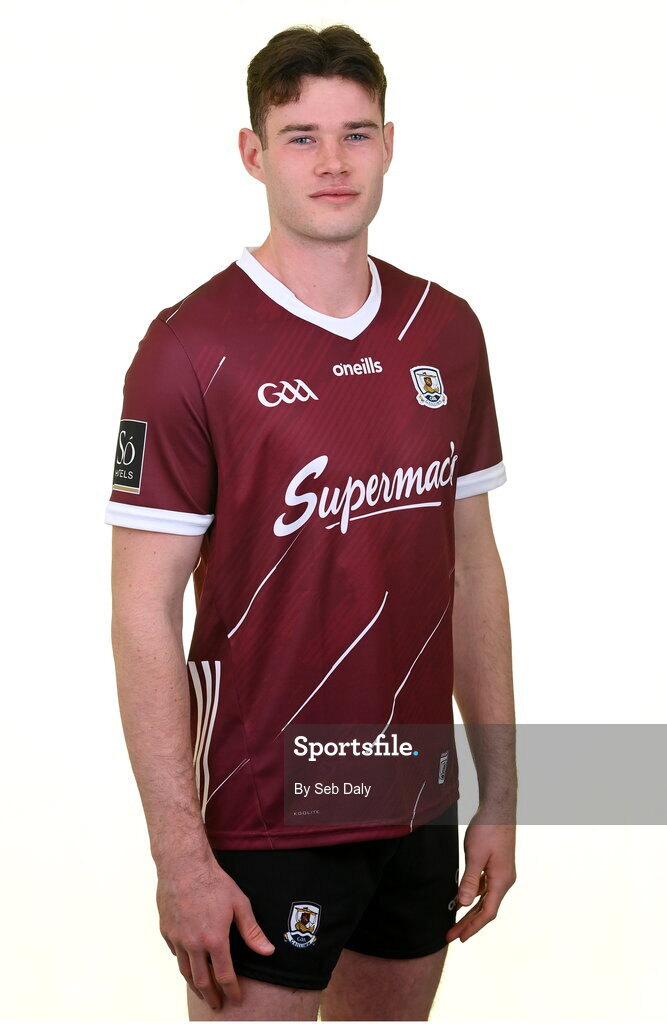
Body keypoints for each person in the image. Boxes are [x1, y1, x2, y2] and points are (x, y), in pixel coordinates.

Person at [105, 23, 517, 1023]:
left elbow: (470, 569)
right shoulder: (188, 347)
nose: (332, 162)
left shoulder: (445, 329)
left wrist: (500, 795)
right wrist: (178, 856)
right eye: (301, 137)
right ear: (254, 153)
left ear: (388, 144)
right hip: (265, 811)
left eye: (355, 133)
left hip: (415, 797)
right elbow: (142, 612)